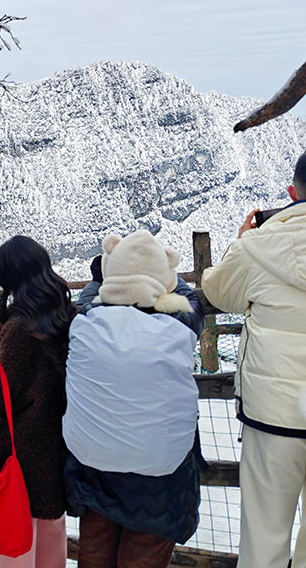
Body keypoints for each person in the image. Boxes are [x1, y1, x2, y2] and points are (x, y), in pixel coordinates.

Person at [64, 230, 204, 568]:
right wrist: (163, 276)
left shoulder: (84, 320)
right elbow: (188, 296)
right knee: (144, 553)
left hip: (94, 463)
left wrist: (107, 273)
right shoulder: (181, 324)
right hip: (162, 473)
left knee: (95, 548)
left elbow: (90, 292)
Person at [201, 149, 306, 568]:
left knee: (264, 539)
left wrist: (241, 242)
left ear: (291, 192)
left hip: (273, 415)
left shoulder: (261, 245)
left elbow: (217, 291)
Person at [0, 237, 75, 568]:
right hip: (55, 446)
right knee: (51, 531)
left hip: (18, 454)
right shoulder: (65, 314)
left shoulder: (23, 326)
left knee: (14, 541)